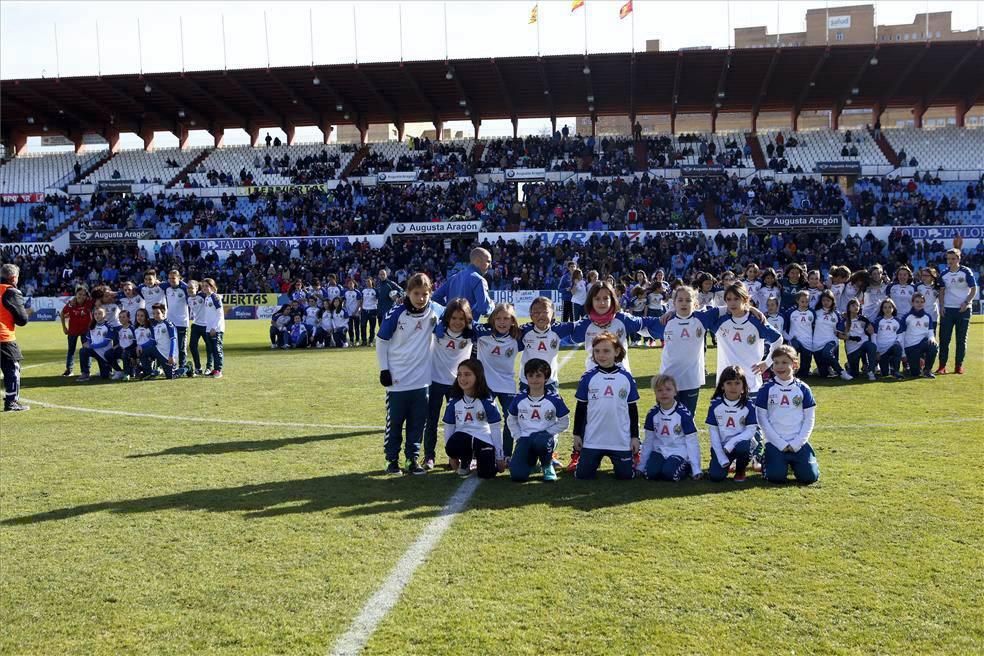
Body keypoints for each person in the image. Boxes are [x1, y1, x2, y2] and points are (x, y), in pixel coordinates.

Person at [376, 273, 442, 476]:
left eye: (425, 294)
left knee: (417, 423)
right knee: (395, 423)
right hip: (397, 380)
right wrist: (384, 370)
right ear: (408, 293)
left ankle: (412, 459)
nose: (421, 298)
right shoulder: (397, 312)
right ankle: (391, 460)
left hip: (422, 381)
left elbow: (457, 314)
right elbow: (381, 341)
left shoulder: (434, 310)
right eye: (416, 293)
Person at [572, 332, 640, 481]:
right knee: (583, 476)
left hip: (620, 440)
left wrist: (635, 437)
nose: (601, 355)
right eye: (597, 351)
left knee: (625, 477)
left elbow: (632, 410)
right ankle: (584, 460)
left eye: (606, 351)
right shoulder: (588, 377)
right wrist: (577, 434)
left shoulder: (626, 377)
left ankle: (631, 461)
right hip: (593, 439)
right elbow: (581, 408)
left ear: (616, 352)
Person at [755, 345, 820, 485]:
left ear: (794, 364)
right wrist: (780, 443)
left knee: (810, 478)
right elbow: (762, 420)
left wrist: (798, 442)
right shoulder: (766, 388)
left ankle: (800, 461)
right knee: (776, 477)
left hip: (798, 442)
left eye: (785, 362)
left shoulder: (803, 388)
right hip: (775, 443)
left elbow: (809, 418)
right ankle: (767, 459)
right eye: (776, 362)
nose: (779, 366)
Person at [425, 298, 475, 470]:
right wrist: (439, 322)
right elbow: (431, 304)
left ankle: (456, 456)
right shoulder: (438, 330)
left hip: (458, 385)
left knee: (459, 422)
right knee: (431, 421)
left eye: (462, 319)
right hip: (435, 381)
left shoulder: (470, 334)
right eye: (453, 318)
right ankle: (429, 456)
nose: (457, 322)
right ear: (447, 318)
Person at [506, 358, 570, 483]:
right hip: (525, 438)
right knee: (518, 476)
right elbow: (511, 419)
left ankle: (547, 465)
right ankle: (531, 461)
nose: (534, 379)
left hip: (545, 439)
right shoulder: (519, 398)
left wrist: (547, 433)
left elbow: (564, 422)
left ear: (546, 378)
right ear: (526, 378)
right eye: (531, 375)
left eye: (538, 376)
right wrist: (518, 436)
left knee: (540, 441)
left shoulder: (555, 399)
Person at [473, 303, 524, 459]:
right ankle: (478, 454)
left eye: (506, 319)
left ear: (513, 321)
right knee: (480, 417)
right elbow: (464, 320)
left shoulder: (518, 337)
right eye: (498, 318)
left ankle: (507, 454)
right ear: (492, 320)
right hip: (485, 384)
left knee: (511, 419)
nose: (502, 322)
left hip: (507, 384)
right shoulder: (482, 332)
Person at [715, 283, 783, 394]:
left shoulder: (756, 321)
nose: (732, 302)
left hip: (751, 383)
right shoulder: (719, 321)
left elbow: (778, 339)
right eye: (728, 299)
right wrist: (750, 307)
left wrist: (767, 363)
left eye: (736, 299)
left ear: (745, 299)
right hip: (725, 384)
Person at [442, 359, 505, 479]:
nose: (462, 379)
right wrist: (451, 456)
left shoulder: (487, 398)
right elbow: (449, 426)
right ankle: (465, 460)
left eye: (467, 374)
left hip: (483, 438)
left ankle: (482, 459)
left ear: (478, 376)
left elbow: (496, 427)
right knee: (452, 446)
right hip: (462, 438)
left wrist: (499, 457)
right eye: (459, 374)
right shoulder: (454, 399)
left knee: (487, 474)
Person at [639, 374, 702, 482]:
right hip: (659, 450)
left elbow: (692, 441)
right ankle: (662, 465)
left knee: (669, 474)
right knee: (650, 474)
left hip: (678, 451)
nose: (664, 393)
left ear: (675, 392)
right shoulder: (652, 413)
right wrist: (640, 466)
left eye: (668, 389)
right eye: (659, 390)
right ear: (655, 393)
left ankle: (687, 466)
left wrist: (696, 468)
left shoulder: (684, 414)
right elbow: (648, 440)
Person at [706, 365, 758, 482]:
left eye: (737, 383)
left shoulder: (749, 405)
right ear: (722, 386)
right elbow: (713, 432)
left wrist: (731, 443)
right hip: (721, 447)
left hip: (740, 445)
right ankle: (727, 463)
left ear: (743, 387)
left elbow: (750, 431)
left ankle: (740, 470)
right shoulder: (715, 405)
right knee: (716, 477)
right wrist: (720, 456)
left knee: (743, 446)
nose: (733, 387)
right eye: (729, 383)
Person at [936, 248, 977, 375]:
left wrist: (966, 303)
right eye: (948, 259)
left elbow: (973, 289)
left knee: (961, 339)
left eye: (953, 258)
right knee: (944, 339)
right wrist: (941, 306)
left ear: (959, 259)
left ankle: (958, 366)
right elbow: (941, 291)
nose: (950, 261)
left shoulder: (966, 272)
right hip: (948, 309)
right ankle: (942, 366)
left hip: (963, 310)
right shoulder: (943, 273)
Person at [519, 296, 573, 394]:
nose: (540, 316)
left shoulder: (558, 329)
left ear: (552, 314)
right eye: (536, 313)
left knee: (551, 408)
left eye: (545, 312)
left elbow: (580, 326)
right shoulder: (523, 331)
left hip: (550, 381)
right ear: (531, 316)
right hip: (527, 381)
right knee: (524, 407)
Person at [0, 264, 32, 411]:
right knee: (13, 368)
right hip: (4, 336)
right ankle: (12, 401)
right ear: (13, 278)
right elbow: (22, 320)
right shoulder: (11, 291)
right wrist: (27, 312)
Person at [432, 247, 493, 318]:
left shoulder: (453, 278)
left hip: (451, 325)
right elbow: (484, 309)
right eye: (488, 262)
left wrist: (449, 309)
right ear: (478, 261)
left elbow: (435, 297)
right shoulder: (479, 280)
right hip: (468, 326)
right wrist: (492, 305)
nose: (490, 266)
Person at [898, 292, 938, 379]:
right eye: (917, 302)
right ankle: (915, 364)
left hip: (922, 344)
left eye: (921, 302)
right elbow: (901, 336)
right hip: (911, 347)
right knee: (915, 373)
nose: (919, 304)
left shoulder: (928, 317)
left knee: (933, 346)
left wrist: (932, 339)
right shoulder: (906, 317)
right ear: (912, 303)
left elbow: (931, 333)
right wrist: (903, 354)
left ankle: (927, 370)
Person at [837, 298, 878, 381]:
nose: (856, 307)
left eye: (857, 305)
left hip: (863, 344)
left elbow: (872, 331)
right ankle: (849, 366)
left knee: (872, 346)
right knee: (854, 374)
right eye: (853, 305)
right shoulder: (845, 321)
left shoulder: (863, 319)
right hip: (852, 349)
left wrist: (868, 324)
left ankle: (871, 371)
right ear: (848, 308)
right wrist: (851, 338)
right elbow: (839, 334)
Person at [77, 306, 117, 382]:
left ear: (104, 315)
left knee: (105, 376)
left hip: (103, 354)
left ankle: (108, 368)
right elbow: (88, 340)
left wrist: (91, 346)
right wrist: (86, 344)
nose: (97, 316)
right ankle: (85, 373)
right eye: (95, 314)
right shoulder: (92, 326)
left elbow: (105, 343)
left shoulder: (109, 327)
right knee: (83, 351)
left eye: (100, 314)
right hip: (94, 351)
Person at [60, 285, 92, 377]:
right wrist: (64, 327)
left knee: (86, 350)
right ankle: (69, 370)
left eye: (83, 294)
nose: (81, 296)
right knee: (71, 350)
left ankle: (87, 370)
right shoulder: (71, 304)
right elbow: (62, 313)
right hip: (73, 330)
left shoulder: (89, 302)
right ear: (76, 294)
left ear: (86, 296)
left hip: (86, 330)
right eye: (79, 294)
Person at [163, 270, 191, 375]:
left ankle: (182, 367)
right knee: (169, 345)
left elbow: (192, 293)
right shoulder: (166, 287)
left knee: (181, 347)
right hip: (170, 322)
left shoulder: (184, 288)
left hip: (182, 322)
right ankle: (170, 366)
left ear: (179, 278)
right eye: (169, 278)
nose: (171, 280)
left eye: (174, 278)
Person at [144, 303, 179, 380]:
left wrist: (171, 355)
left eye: (158, 313)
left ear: (163, 313)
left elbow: (173, 340)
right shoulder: (154, 325)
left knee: (170, 377)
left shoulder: (168, 324)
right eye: (153, 313)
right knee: (143, 352)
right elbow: (153, 341)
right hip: (157, 351)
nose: (155, 315)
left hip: (167, 355)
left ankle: (186, 368)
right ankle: (149, 372)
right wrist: (141, 346)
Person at [872, 299, 904, 380]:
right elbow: (873, 336)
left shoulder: (897, 321)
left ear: (893, 308)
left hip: (892, 348)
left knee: (897, 347)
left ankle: (896, 370)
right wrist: (877, 351)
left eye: (890, 307)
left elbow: (900, 337)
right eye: (885, 307)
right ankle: (886, 367)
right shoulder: (878, 321)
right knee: (885, 374)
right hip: (881, 352)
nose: (887, 309)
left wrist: (903, 354)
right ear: (882, 309)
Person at [187, 280, 211, 376]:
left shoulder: (202, 295)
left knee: (209, 347)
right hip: (196, 325)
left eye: (192, 288)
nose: (190, 290)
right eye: (188, 288)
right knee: (192, 346)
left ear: (197, 288)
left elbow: (212, 294)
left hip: (206, 325)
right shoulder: (188, 299)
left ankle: (209, 367)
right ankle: (198, 367)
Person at [115, 309, 137, 381]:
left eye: (124, 317)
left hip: (131, 349)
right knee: (108, 354)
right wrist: (116, 346)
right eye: (120, 317)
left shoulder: (132, 328)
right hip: (121, 349)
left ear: (128, 318)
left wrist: (126, 348)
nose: (121, 319)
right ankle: (119, 371)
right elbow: (120, 341)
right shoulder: (119, 329)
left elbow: (135, 343)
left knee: (125, 354)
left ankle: (126, 373)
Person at [134, 308, 155, 379]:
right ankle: (135, 369)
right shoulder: (135, 328)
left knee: (142, 352)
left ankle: (148, 371)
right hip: (137, 349)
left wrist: (142, 346)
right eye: (138, 315)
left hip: (148, 349)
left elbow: (153, 341)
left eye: (142, 316)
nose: (139, 317)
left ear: (146, 317)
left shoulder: (150, 327)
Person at [343, 279, 362, 347]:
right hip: (349, 313)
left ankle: (357, 340)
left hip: (355, 313)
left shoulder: (357, 292)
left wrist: (356, 311)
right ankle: (351, 340)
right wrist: (345, 310)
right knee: (350, 328)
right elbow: (344, 303)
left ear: (354, 284)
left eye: (351, 283)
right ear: (347, 285)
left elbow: (359, 303)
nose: (350, 285)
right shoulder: (345, 292)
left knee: (357, 327)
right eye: (349, 284)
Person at [360, 277, 379, 346]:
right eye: (366, 281)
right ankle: (364, 341)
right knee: (363, 326)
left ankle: (371, 341)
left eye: (369, 281)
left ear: (372, 282)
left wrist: (377, 309)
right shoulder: (363, 290)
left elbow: (378, 300)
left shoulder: (375, 290)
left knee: (372, 327)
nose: (367, 283)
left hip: (373, 310)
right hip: (364, 310)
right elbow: (361, 300)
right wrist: (361, 308)